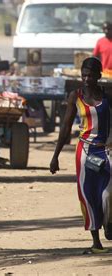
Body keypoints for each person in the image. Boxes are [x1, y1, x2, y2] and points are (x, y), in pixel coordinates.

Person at [50, 57, 112, 254]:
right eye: (84, 75)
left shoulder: (108, 96)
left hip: (107, 150)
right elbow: (66, 128)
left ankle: (108, 223)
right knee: (88, 195)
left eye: (90, 75)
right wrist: (55, 156)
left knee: (107, 194)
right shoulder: (75, 96)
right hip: (85, 152)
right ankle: (96, 241)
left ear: (98, 76)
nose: (86, 79)